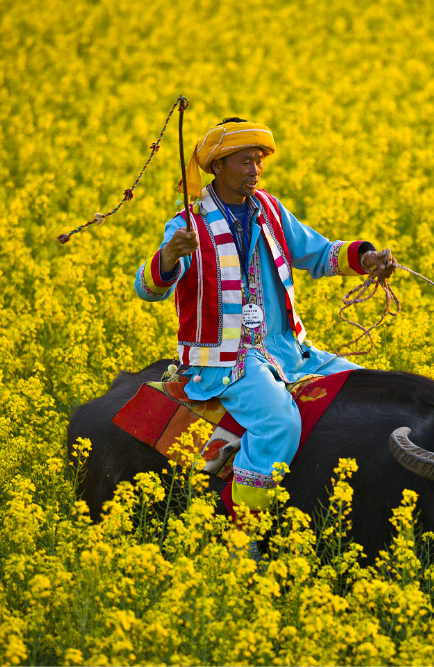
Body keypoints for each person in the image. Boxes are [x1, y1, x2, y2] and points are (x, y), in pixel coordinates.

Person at [135, 117, 395, 514]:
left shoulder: (268, 209)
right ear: (217, 166)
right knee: (279, 426)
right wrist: (170, 254)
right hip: (225, 362)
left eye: (259, 161)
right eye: (245, 162)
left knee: (366, 388)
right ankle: (246, 528)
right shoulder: (189, 226)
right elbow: (149, 288)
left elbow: (319, 253)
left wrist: (366, 258)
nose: (255, 170)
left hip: (285, 349)